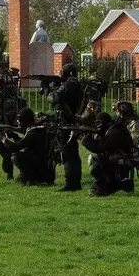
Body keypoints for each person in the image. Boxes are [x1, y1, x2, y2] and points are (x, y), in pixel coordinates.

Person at [0, 107, 55, 186]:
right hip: (45, 167)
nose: (18, 122)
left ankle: (30, 177)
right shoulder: (37, 130)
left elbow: (15, 147)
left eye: (20, 120)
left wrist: (3, 138)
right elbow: (26, 142)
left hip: (42, 169)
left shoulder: (33, 132)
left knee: (16, 156)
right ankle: (28, 176)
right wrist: (13, 134)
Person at [82, 112, 134, 196]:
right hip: (117, 161)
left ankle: (102, 187)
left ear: (105, 122)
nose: (98, 126)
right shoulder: (113, 129)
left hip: (120, 162)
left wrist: (86, 140)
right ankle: (107, 186)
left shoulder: (114, 132)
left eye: (99, 123)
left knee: (94, 158)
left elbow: (99, 148)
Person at [51, 62, 84, 191]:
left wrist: (50, 89)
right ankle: (75, 182)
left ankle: (71, 184)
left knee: (68, 154)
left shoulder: (69, 84)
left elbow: (54, 98)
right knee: (73, 154)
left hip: (66, 122)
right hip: (72, 121)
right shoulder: (77, 84)